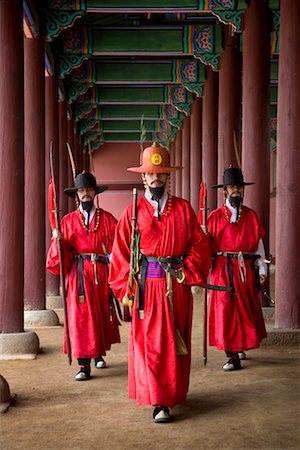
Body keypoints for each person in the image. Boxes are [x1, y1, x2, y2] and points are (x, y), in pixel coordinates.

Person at [109, 142, 211, 423]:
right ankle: (158, 401)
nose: (156, 178)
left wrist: (185, 271)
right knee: (151, 346)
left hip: (176, 286)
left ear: (168, 176)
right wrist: (126, 290)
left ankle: (172, 393)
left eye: (161, 173)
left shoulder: (183, 209)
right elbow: (120, 254)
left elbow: (200, 246)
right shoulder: (132, 213)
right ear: (143, 178)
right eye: (150, 174)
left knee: (175, 345)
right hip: (147, 288)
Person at [46, 172, 121, 381]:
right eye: (81, 190)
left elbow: (118, 248)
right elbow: (59, 258)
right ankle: (83, 365)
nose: (85, 194)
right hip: (79, 275)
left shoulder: (107, 219)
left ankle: (97, 353)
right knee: (80, 318)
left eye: (88, 189)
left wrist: (116, 271)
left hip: (102, 273)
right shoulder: (67, 221)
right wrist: (57, 240)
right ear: (76, 195)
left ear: (95, 192)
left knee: (99, 314)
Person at [207, 167, 268, 372]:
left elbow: (259, 246)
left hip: (245, 270)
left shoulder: (250, 215)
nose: (237, 191)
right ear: (225, 191)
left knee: (245, 309)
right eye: (232, 187)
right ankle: (232, 355)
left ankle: (239, 345)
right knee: (227, 311)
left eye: (240, 187)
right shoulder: (214, 217)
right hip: (223, 271)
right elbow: (206, 249)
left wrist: (262, 270)